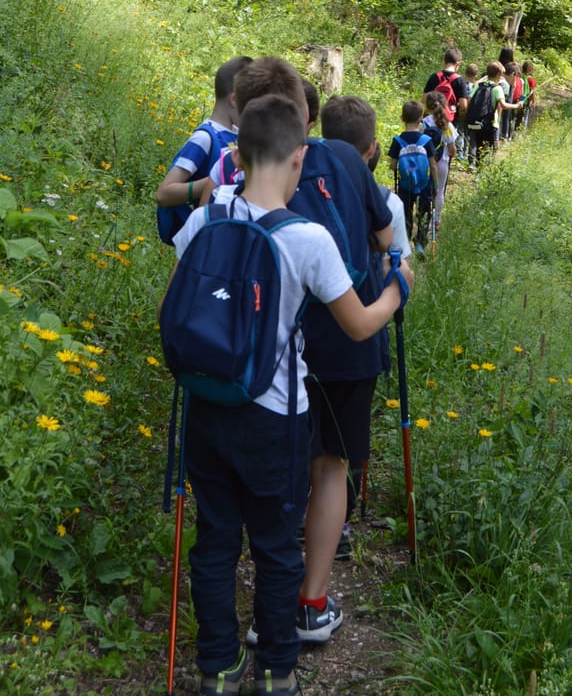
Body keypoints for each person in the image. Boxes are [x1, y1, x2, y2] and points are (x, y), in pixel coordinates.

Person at [169, 93, 407, 696]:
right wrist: (397, 289)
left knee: (216, 539)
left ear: (238, 154)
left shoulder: (205, 219)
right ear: (300, 157)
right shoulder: (306, 239)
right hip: (275, 417)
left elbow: (176, 307)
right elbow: (357, 324)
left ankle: (218, 667)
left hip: (206, 408)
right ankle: (278, 671)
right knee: (276, 546)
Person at [205, 58, 395, 645]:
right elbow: (386, 239)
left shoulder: (225, 196)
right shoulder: (340, 156)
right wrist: (398, 282)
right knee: (331, 466)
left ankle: (240, 628)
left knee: (272, 486)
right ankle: (307, 604)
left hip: (260, 356)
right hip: (344, 337)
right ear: (305, 113)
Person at [317, 96, 414, 560]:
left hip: (304, 334)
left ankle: (302, 515)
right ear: (373, 148)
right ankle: (340, 523)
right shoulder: (386, 201)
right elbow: (395, 253)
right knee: (347, 443)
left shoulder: (299, 180)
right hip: (361, 328)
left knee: (310, 433)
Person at [155, 55, 252, 240]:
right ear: (234, 100)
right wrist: (214, 181)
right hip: (200, 237)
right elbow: (163, 194)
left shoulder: (238, 134)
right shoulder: (204, 138)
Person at [388, 99, 438, 253]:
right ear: (420, 119)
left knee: (406, 213)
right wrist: (435, 184)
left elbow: (393, 165)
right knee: (424, 211)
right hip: (424, 185)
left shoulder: (398, 141)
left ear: (402, 118)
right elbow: (433, 165)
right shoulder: (426, 141)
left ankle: (406, 239)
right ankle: (420, 242)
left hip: (404, 186)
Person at [467, 62, 520, 167]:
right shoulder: (497, 88)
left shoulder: (478, 86)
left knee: (476, 144)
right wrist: (517, 106)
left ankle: (472, 164)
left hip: (475, 120)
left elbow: (469, 100)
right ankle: (480, 172)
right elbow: (503, 105)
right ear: (498, 75)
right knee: (486, 149)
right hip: (490, 123)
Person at [422, 89, 457, 236]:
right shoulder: (446, 125)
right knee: (439, 191)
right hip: (441, 162)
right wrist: (451, 156)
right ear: (444, 105)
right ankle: (436, 221)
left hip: (425, 163)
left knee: (425, 191)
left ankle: (423, 218)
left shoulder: (423, 123)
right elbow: (452, 149)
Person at [423, 48, 471, 125]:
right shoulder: (460, 80)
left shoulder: (434, 77)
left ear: (444, 61)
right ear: (458, 63)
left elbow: (424, 99)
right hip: (449, 121)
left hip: (432, 120)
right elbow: (463, 106)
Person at [520, 60, 537, 130]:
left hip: (519, 100)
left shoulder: (520, 77)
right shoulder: (531, 80)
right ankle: (523, 130)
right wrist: (533, 102)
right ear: (531, 70)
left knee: (518, 116)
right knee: (525, 117)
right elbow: (532, 92)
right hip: (526, 101)